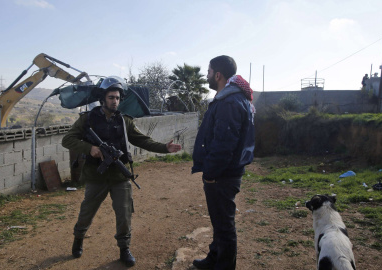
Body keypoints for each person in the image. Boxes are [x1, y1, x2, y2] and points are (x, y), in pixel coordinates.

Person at [62, 76, 182, 267]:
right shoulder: (87, 119)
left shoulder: (124, 121)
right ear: (103, 98)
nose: (114, 101)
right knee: (87, 212)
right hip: (96, 176)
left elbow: (142, 140)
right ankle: (78, 239)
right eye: (111, 97)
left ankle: (124, 248)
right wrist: (90, 149)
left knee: (124, 214)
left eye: (117, 98)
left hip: (120, 176)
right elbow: (67, 140)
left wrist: (164, 148)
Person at [191, 55, 255, 270]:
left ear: (217, 75)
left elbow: (224, 144)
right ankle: (214, 258)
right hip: (225, 172)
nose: (207, 76)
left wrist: (210, 173)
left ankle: (223, 266)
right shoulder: (229, 98)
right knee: (219, 222)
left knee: (224, 226)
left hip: (222, 175)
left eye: (208, 72)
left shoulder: (229, 102)